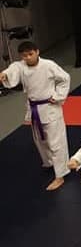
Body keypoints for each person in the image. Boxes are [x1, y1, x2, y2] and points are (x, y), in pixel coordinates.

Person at [1, 41, 70, 191]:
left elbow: (65, 78)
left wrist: (58, 96)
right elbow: (12, 69)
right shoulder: (20, 66)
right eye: (24, 55)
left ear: (37, 52)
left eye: (30, 54)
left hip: (50, 107)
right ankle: (49, 162)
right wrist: (4, 75)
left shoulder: (48, 65)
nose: (28, 58)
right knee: (39, 139)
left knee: (56, 142)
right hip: (34, 109)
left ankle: (60, 174)